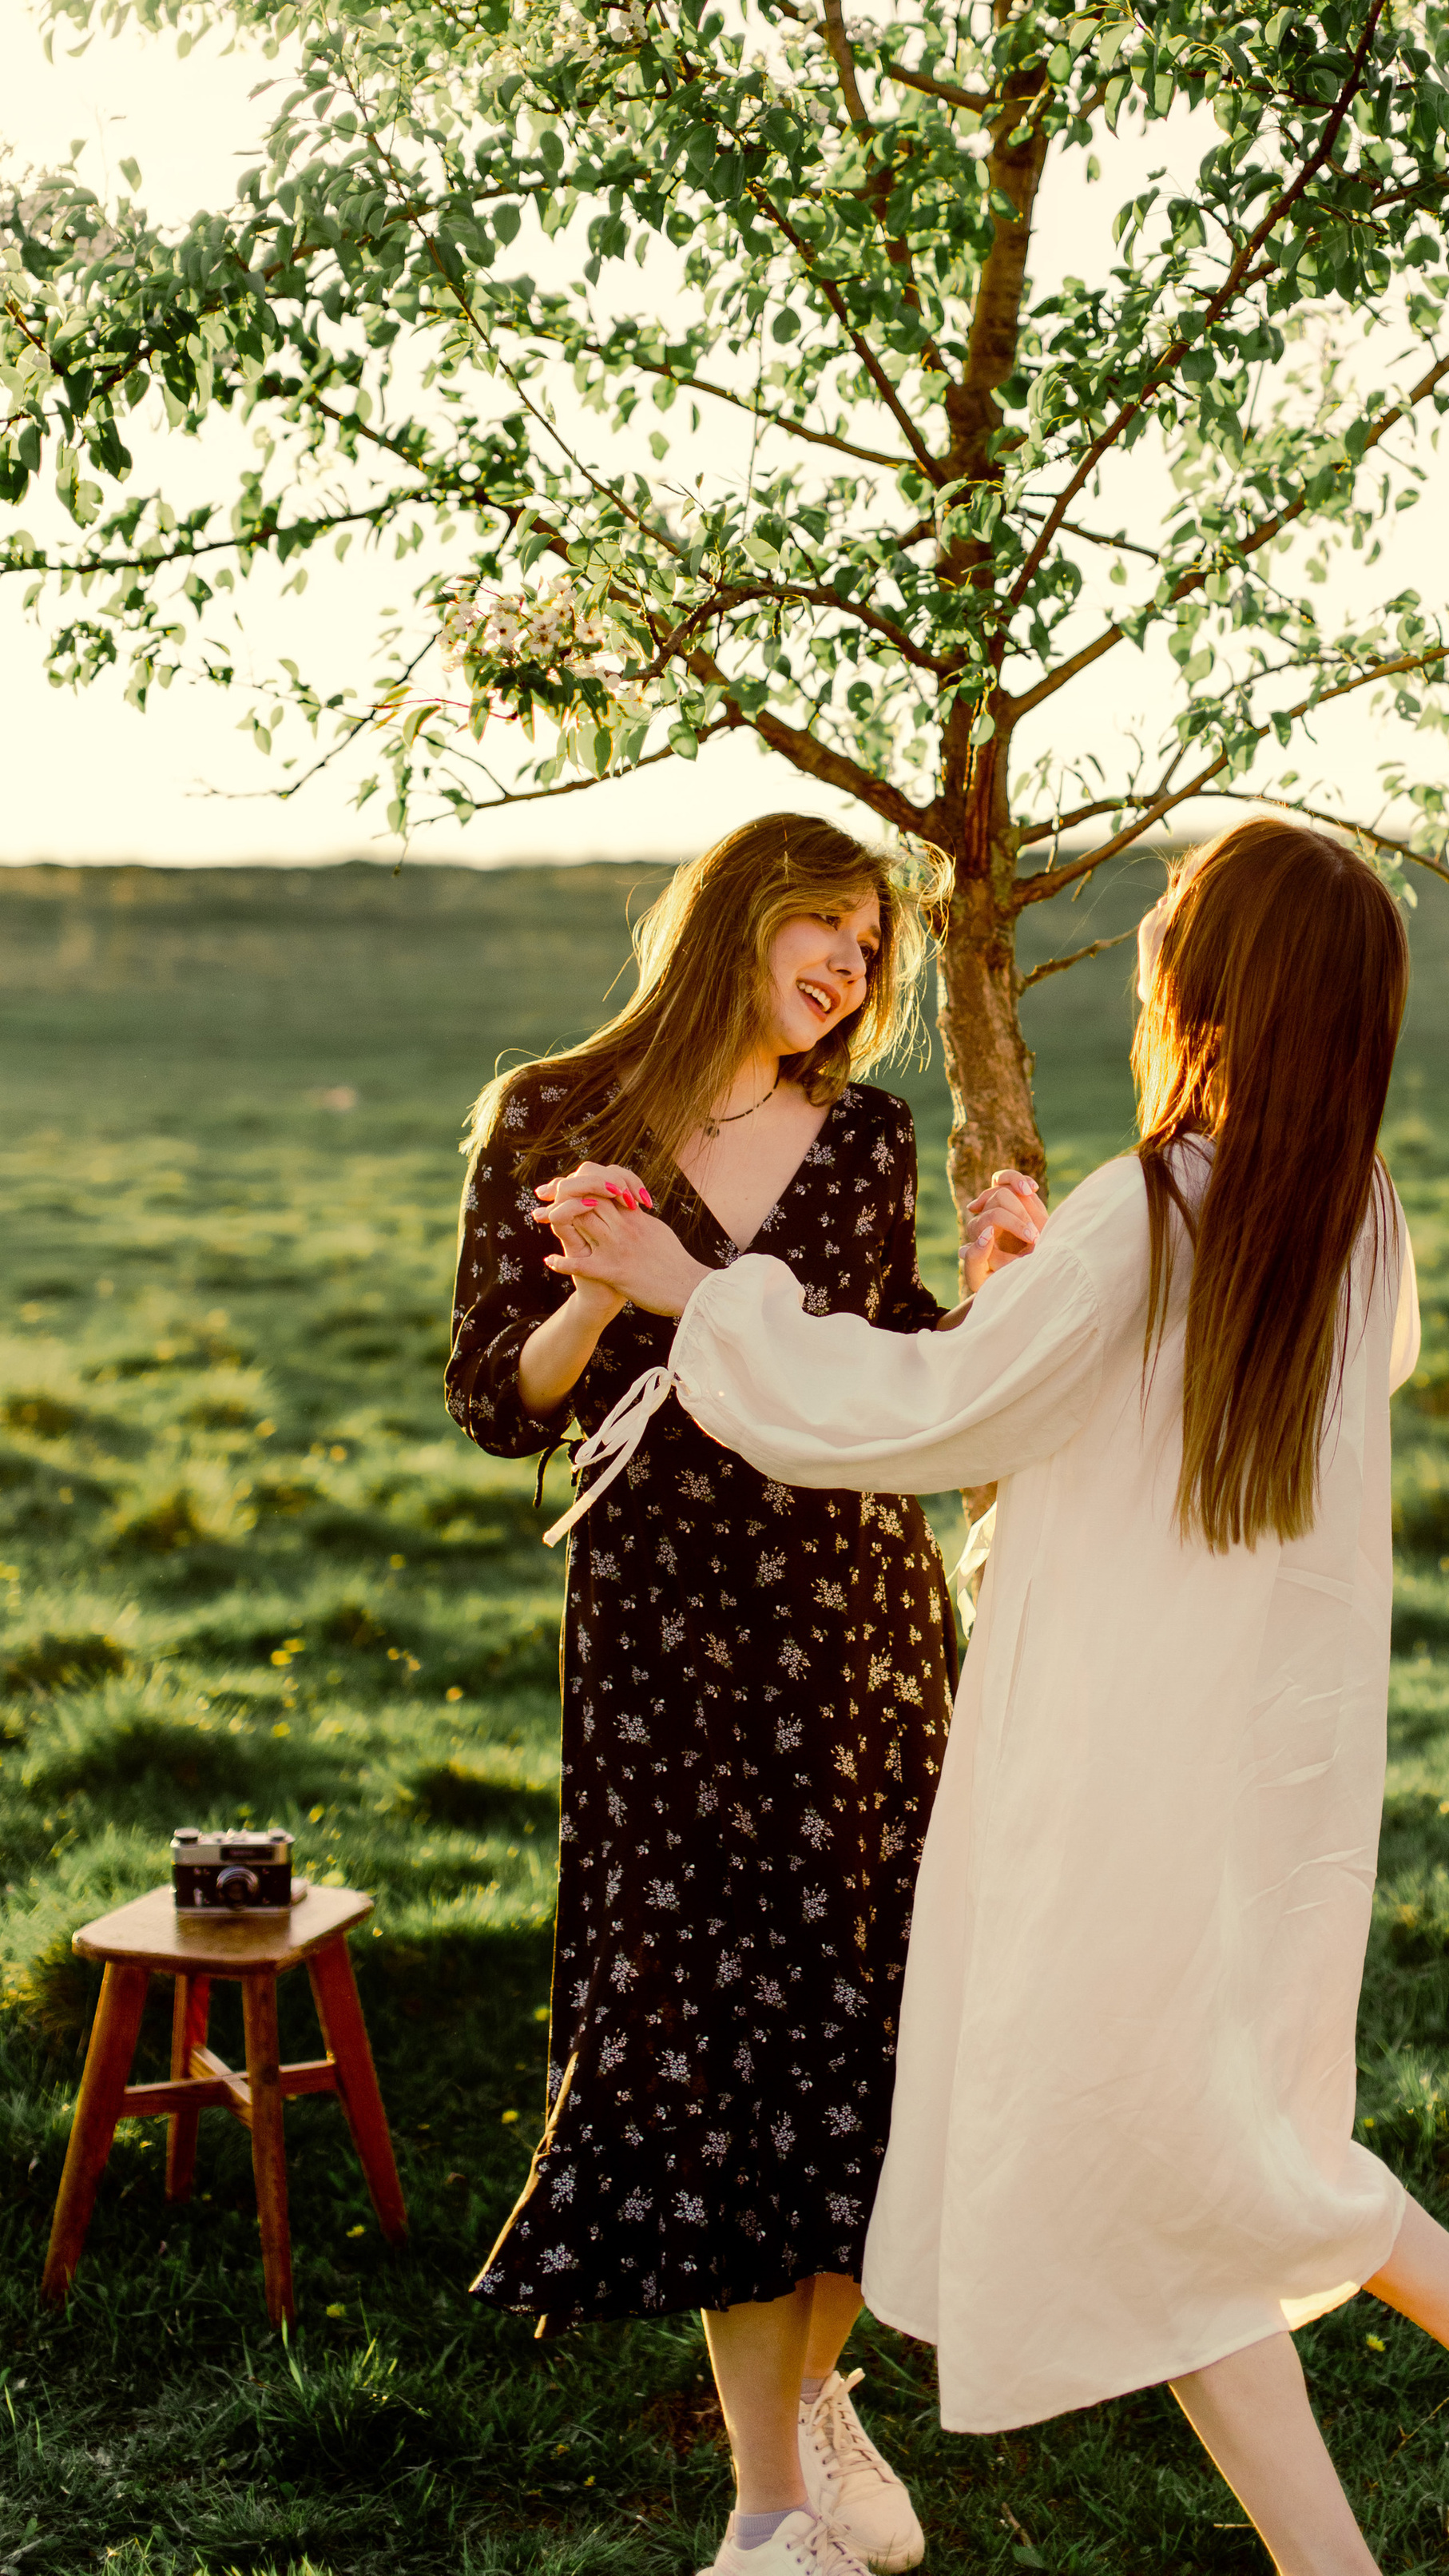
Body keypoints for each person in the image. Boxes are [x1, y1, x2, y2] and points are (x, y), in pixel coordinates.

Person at [534, 817, 1449, 2573]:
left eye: (1176, 910)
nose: (1146, 924)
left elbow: (910, 1423)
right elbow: (1182, 1404)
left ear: (1218, 982)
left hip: (1121, 1764)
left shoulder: (1155, 1207)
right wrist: (1035, 1306)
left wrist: (698, 1293)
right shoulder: (1346, 1211)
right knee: (1188, 2161)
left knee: (1187, 2155)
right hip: (1265, 1769)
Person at [448, 812, 1038, 2576]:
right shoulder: (555, 1115)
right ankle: (768, 2510)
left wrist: (988, 1312)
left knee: (875, 2025)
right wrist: (581, 1291)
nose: (856, 970)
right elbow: (500, 1398)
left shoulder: (864, 1133)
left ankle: (819, 2395)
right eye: (830, 929)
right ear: (739, 920)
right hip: (669, 1639)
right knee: (711, 2039)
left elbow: (884, 1369)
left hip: (849, 1619)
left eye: (875, 946)